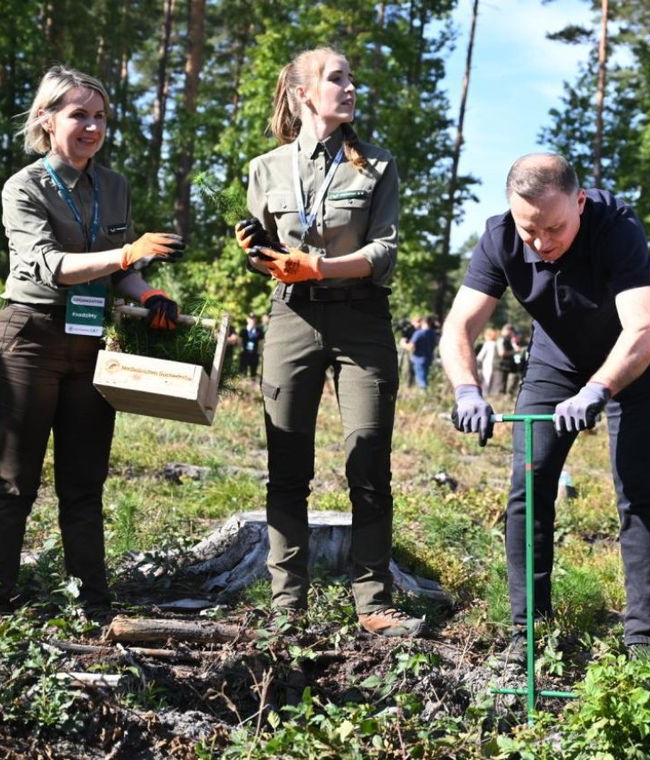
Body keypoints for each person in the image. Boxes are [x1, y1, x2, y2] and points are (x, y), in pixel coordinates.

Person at [440, 153, 650, 658]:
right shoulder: (500, 238)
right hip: (557, 358)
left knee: (635, 488)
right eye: (531, 231)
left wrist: (598, 390)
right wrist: (466, 389)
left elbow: (644, 329)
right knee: (529, 483)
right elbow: (458, 328)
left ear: (580, 201)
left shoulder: (617, 229)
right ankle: (529, 633)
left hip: (635, 360)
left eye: (554, 228)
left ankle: (643, 643)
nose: (542, 243)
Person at [0, 66, 185, 613]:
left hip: (91, 341)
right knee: (15, 483)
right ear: (46, 120)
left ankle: (94, 606)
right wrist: (125, 254)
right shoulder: (24, 187)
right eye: (78, 115)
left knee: (84, 484)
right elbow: (49, 265)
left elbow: (122, 273)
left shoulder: (113, 186)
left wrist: (148, 295)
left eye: (100, 117)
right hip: (32, 338)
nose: (92, 127)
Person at [233, 46, 421, 637]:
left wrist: (318, 267)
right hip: (291, 319)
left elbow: (383, 251)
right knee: (287, 462)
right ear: (303, 93)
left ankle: (372, 602)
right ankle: (288, 603)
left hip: (361, 321)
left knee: (367, 457)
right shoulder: (266, 168)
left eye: (352, 78)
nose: (349, 87)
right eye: (336, 79)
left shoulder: (377, 165)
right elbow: (270, 258)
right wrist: (257, 254)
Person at [405, 316, 439, 390]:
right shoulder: (433, 333)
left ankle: (425, 397)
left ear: (422, 322)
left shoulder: (419, 333)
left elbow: (410, 347)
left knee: (421, 382)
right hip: (429, 359)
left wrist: (403, 343)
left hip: (419, 360)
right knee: (425, 379)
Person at [239, 313, 264, 380]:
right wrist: (240, 350)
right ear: (247, 319)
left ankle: (252, 386)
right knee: (243, 373)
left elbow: (261, 343)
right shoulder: (243, 330)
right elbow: (240, 341)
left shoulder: (259, 331)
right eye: (250, 318)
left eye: (253, 319)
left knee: (253, 373)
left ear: (255, 320)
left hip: (254, 354)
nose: (252, 320)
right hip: (245, 353)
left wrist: (260, 353)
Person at [476, 327, 499, 395]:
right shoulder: (496, 343)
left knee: (485, 381)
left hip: (487, 365)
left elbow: (480, 356)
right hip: (495, 365)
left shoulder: (488, 343)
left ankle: (484, 394)